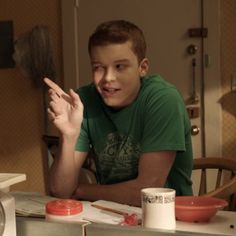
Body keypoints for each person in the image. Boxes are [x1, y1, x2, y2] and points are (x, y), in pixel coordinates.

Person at [44, 19, 193, 207]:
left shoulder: (163, 99)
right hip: (110, 213)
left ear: (142, 68)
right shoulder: (83, 101)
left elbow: (148, 192)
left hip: (167, 217)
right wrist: (69, 135)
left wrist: (81, 190)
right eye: (98, 67)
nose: (108, 78)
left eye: (120, 66)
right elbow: (60, 190)